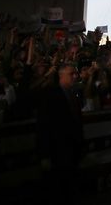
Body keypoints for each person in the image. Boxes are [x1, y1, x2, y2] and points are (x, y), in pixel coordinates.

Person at [37, 64, 83, 205]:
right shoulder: (51, 94)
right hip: (56, 151)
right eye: (71, 74)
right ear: (61, 76)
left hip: (71, 150)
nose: (75, 76)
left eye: (75, 73)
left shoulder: (73, 94)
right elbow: (43, 125)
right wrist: (44, 155)